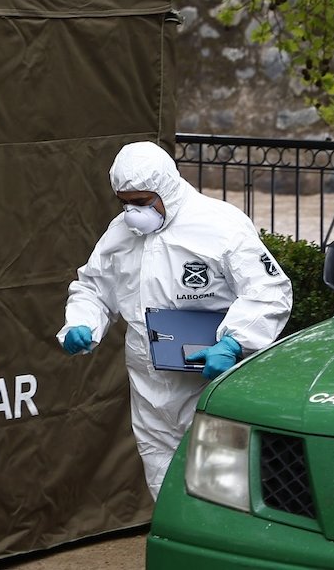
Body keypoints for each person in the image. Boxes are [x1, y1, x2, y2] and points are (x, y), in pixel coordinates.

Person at [56, 140, 293, 499]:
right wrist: (82, 322)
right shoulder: (120, 234)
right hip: (150, 387)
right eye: (125, 202)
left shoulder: (221, 226)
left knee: (222, 487)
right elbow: (93, 287)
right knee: (164, 486)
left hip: (211, 382)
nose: (133, 211)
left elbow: (269, 291)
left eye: (142, 201)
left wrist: (234, 342)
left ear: (165, 187)